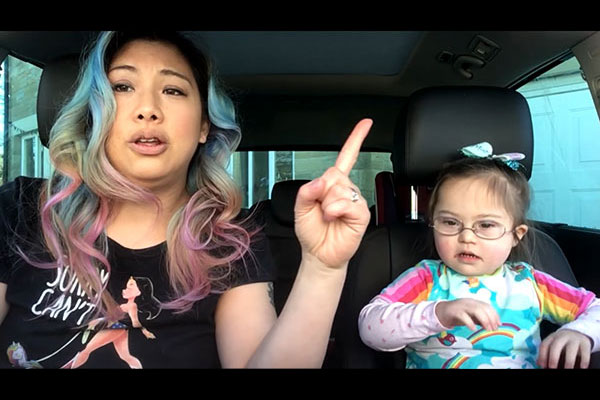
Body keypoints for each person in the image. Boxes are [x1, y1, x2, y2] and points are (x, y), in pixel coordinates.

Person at [0, 31, 372, 368]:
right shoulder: (21, 210)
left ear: (204, 126)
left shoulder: (231, 244)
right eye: (122, 87)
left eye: (173, 90)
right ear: (93, 116)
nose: (148, 109)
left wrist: (322, 270)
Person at [358, 142, 600, 369]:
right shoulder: (426, 279)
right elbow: (370, 327)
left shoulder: (532, 284)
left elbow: (593, 308)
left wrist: (579, 332)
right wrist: (438, 313)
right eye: (450, 222)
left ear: (516, 235)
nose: (466, 237)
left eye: (486, 225)